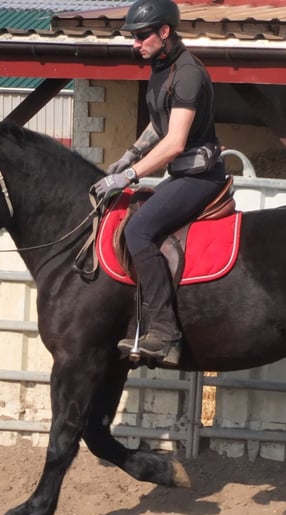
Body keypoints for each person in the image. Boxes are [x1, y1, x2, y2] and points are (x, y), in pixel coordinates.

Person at [92, 0, 227, 367]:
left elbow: (175, 141)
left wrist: (129, 175)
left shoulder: (188, 73)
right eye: (134, 38)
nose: (135, 44)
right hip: (181, 173)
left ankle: (165, 333)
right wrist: (130, 153)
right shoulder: (160, 68)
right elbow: (159, 122)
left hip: (200, 176)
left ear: (164, 32)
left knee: (138, 231)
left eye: (141, 37)